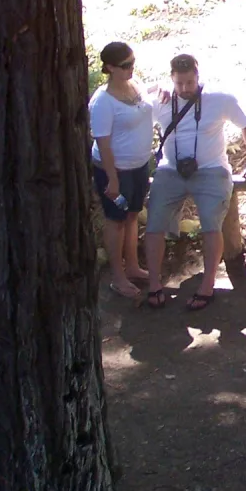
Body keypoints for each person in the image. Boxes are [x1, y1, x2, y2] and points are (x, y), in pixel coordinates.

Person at [144, 53, 246, 311]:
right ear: (171, 79)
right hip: (171, 170)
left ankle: (207, 285)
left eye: (189, 82)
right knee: (154, 223)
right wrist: (152, 87)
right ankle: (154, 283)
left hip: (210, 171)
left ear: (198, 76)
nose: (185, 88)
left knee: (210, 224)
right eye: (179, 83)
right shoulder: (160, 100)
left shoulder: (219, 100)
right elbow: (131, 102)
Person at [88, 41, 155, 300]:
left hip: (138, 165)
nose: (131, 69)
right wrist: (112, 179)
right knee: (115, 220)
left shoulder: (135, 84)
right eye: (125, 65)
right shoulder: (103, 101)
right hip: (114, 171)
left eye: (133, 63)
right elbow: (102, 142)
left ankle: (134, 266)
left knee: (132, 215)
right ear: (109, 68)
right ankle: (118, 277)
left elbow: (143, 104)